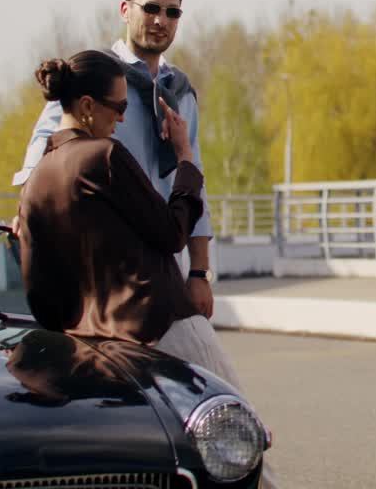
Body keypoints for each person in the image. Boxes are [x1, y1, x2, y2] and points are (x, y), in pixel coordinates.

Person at [15, 50, 243, 387]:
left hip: (98, 352)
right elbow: (171, 233)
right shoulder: (104, 156)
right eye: (119, 108)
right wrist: (186, 161)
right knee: (235, 427)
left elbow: (41, 297)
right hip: (163, 327)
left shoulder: (34, 184)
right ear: (88, 106)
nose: (121, 119)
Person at [13, 0, 215, 318]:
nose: (160, 21)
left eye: (172, 12)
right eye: (150, 8)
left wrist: (199, 272)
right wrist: (28, 205)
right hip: (104, 275)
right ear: (126, 10)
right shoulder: (95, 76)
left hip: (165, 266)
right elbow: (46, 143)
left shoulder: (181, 92)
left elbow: (193, 176)